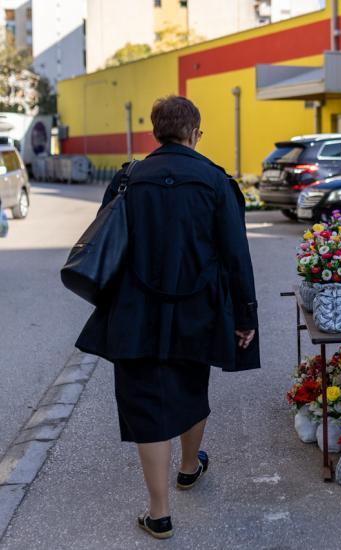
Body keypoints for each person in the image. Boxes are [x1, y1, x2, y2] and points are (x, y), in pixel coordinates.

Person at [75, 96, 260, 539]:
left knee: (144, 402)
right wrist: (245, 313)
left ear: (156, 131)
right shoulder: (216, 181)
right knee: (191, 384)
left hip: (134, 310)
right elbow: (237, 255)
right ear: (194, 131)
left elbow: (107, 241)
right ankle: (189, 466)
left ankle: (159, 513)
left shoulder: (128, 178)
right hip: (198, 309)